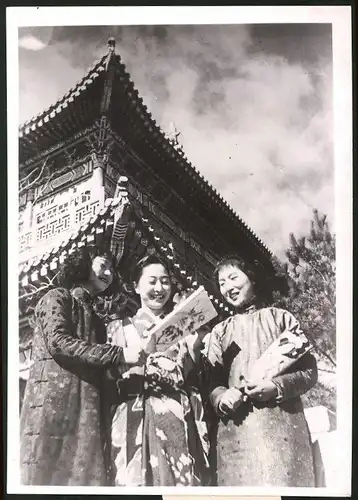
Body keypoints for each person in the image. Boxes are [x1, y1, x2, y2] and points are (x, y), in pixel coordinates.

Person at [20, 247, 145, 486]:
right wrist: (119, 353)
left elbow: (98, 366)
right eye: (103, 264)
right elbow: (59, 343)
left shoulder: (97, 319)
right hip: (52, 405)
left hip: (86, 410)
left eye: (112, 269)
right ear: (85, 263)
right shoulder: (57, 297)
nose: (108, 272)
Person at [202, 256, 318, 487]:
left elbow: (309, 371)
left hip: (283, 428)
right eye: (222, 283)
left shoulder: (281, 318)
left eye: (233, 277)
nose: (228, 287)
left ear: (251, 278)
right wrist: (222, 398)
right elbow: (210, 381)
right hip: (236, 435)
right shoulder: (219, 332)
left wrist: (276, 387)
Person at [108, 254, 211, 486]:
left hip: (178, 414)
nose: (159, 288)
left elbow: (190, 376)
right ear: (135, 286)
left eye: (165, 281)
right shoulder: (120, 328)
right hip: (136, 413)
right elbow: (109, 378)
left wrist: (195, 347)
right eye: (152, 281)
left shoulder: (182, 327)